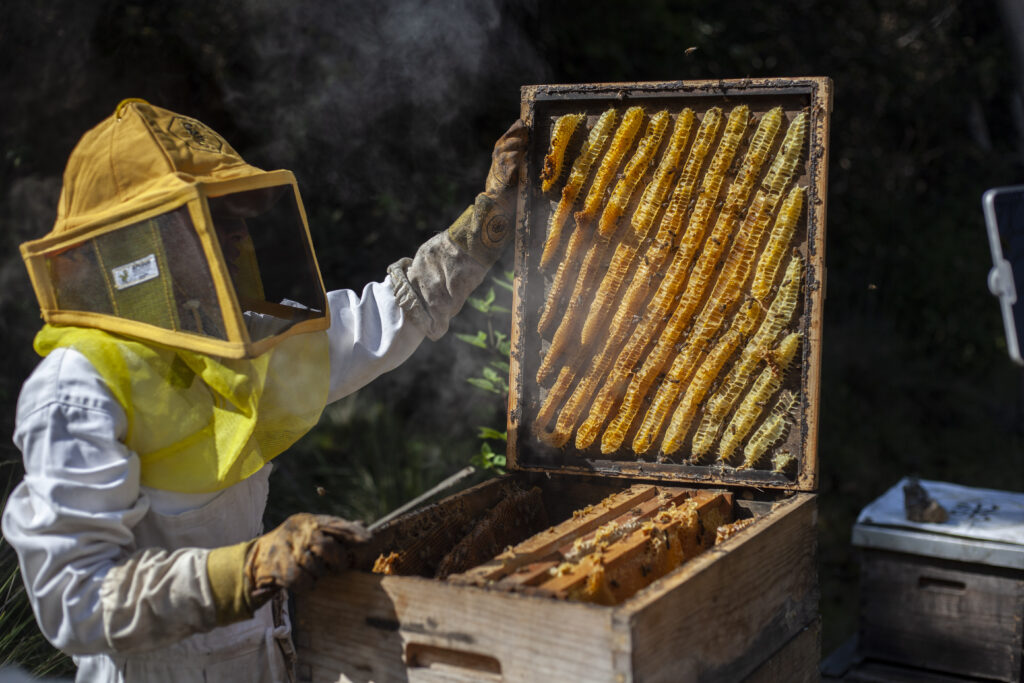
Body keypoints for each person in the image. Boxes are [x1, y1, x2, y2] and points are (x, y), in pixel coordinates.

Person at [1, 99, 527, 682]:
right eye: (210, 218)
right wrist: (248, 569)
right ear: (138, 243)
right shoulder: (77, 389)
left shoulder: (234, 341)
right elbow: (73, 602)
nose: (236, 237)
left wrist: (486, 224)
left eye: (236, 217)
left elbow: (389, 316)